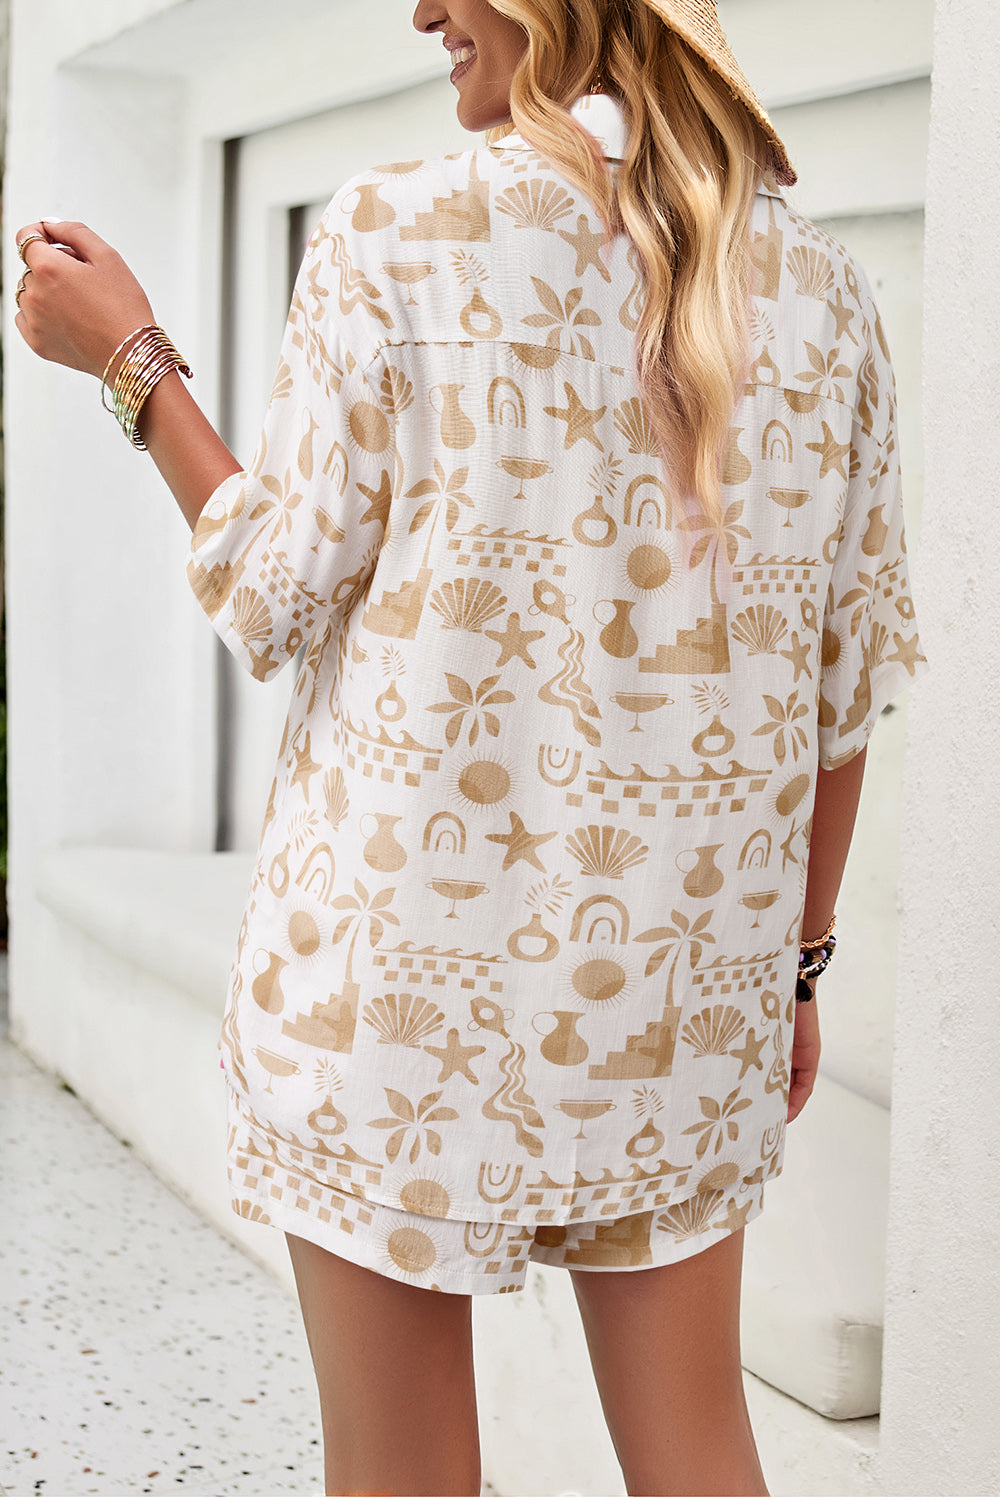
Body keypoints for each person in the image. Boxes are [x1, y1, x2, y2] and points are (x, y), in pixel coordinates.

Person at [14, 1, 926, 1494]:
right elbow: (843, 695)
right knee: (699, 1454)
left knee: (401, 1477)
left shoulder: (397, 230)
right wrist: (798, 970)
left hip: (397, 1003)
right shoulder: (824, 293)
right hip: (680, 1004)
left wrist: (132, 360)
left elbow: (273, 592)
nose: (424, 8)